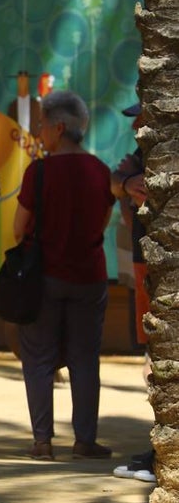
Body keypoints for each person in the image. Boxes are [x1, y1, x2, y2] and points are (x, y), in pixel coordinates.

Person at [13, 91, 114, 462]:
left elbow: (18, 229)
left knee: (38, 357)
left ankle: (42, 441)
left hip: (45, 278)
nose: (39, 132)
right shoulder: (100, 171)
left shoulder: (38, 172)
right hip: (90, 276)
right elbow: (102, 222)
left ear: (59, 128)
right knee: (84, 359)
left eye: (42, 125)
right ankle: (85, 440)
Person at [110, 100, 155, 483]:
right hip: (144, 265)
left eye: (142, 116)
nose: (137, 124)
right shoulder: (139, 155)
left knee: (157, 361)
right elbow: (114, 178)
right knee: (151, 354)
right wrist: (127, 186)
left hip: (161, 267)